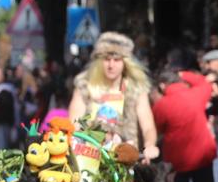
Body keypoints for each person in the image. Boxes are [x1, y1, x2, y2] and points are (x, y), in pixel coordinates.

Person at [67, 32, 159, 160]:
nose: (111, 65)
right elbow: (73, 124)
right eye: (106, 59)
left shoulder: (136, 89)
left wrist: (150, 146)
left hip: (125, 158)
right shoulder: (84, 87)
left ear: (125, 62)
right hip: (89, 158)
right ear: (99, 61)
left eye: (116, 60)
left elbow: (148, 126)